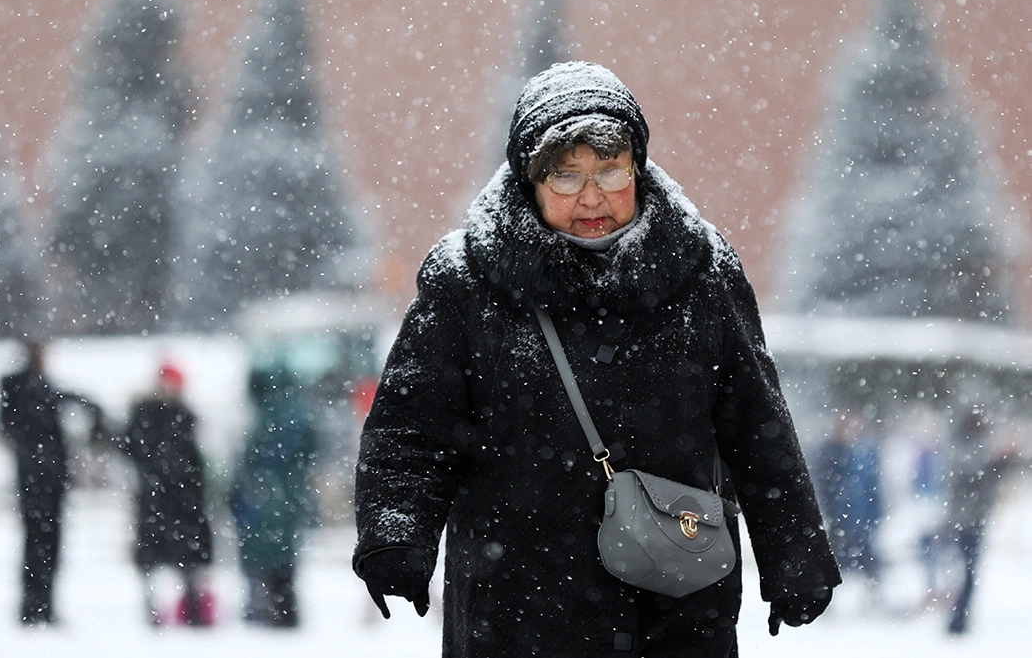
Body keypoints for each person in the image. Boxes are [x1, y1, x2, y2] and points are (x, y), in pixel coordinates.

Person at [352, 61, 841, 656]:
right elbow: (412, 426)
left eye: (610, 170)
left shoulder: (703, 270)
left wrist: (795, 553)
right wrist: (395, 534)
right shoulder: (466, 281)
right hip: (519, 601)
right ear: (528, 182)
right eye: (565, 176)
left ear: (636, 167)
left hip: (675, 598)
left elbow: (756, 424)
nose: (592, 196)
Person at [0, 339, 104, 625]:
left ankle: (44, 602)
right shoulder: (18, 386)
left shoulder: (44, 388)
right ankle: (32, 603)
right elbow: (11, 425)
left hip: (50, 479)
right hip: (34, 480)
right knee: (37, 541)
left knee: (50, 542)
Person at [117, 361, 213, 627]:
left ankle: (187, 607)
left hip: (171, 498)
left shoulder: (169, 414)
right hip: (164, 497)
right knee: (168, 555)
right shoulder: (157, 414)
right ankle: (165, 609)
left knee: (180, 556)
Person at [230, 361, 318, 628]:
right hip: (283, 498)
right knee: (281, 558)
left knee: (266, 557)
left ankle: (271, 608)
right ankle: (282, 608)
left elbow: (256, 460)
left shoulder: (269, 417)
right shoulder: (292, 413)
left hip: (268, 499)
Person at [938, 404, 1018, 634]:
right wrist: (993, 460)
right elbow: (967, 473)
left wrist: (1004, 460)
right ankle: (956, 620)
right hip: (961, 520)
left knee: (970, 574)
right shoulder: (959, 444)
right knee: (963, 573)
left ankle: (960, 619)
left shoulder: (979, 444)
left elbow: (988, 478)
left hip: (975, 518)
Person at [813, 408, 883, 597]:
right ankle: (826, 598)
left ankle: (876, 598)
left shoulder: (865, 452)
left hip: (862, 519)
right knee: (834, 563)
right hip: (840, 519)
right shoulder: (830, 452)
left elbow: (873, 488)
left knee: (869, 562)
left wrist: (875, 515)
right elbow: (825, 488)